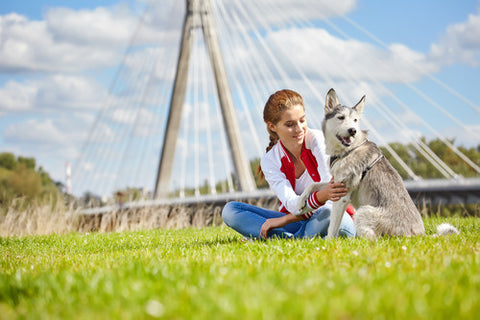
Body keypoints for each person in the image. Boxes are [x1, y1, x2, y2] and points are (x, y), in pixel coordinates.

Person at [222, 89, 356, 240]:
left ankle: (286, 239)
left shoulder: (320, 141)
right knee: (231, 210)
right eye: (290, 124)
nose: (299, 129)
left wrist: (283, 220)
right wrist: (321, 196)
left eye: (302, 120)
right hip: (298, 221)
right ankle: (297, 237)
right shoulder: (270, 160)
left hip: (334, 216)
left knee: (327, 214)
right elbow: (294, 205)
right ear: (272, 126)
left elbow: (333, 197)